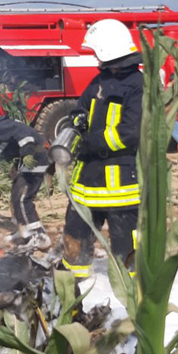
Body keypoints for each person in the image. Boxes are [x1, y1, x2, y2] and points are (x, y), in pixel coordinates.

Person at [60, 19, 143, 279]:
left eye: (97, 51)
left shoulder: (138, 85)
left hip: (119, 181)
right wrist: (77, 119)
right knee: (76, 231)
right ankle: (73, 283)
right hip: (88, 179)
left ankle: (127, 291)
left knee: (124, 243)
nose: (95, 57)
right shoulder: (101, 80)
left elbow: (131, 133)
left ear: (108, 51)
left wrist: (90, 142)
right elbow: (80, 106)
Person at [0, 115, 52, 248]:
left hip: (36, 157)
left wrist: (27, 154)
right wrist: (17, 164)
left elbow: (25, 135)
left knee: (23, 198)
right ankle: (24, 231)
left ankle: (39, 236)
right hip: (29, 160)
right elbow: (16, 144)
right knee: (16, 194)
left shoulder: (1, 128)